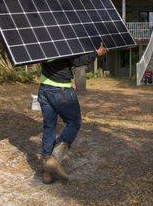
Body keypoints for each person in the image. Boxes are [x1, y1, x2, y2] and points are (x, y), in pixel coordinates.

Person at [38, 43, 108, 184]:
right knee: (74, 122)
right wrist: (97, 53)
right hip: (61, 91)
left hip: (44, 89)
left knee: (49, 127)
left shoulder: (41, 40)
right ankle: (53, 158)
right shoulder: (64, 40)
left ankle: (47, 172)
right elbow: (78, 61)